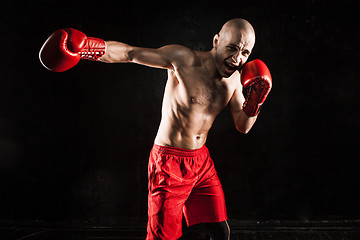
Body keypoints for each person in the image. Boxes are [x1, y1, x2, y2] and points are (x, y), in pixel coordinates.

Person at [39, 18, 272, 240]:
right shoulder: (183, 59)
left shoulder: (234, 81)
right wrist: (86, 47)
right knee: (162, 236)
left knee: (220, 231)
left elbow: (243, 126)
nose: (237, 59)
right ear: (216, 41)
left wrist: (255, 103)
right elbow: (130, 53)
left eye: (245, 53)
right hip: (168, 164)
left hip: (201, 163)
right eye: (232, 48)